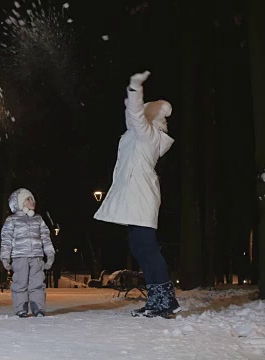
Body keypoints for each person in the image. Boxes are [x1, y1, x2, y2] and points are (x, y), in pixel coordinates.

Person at [93, 71, 181, 318]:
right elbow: (130, 115)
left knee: (147, 248)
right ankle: (157, 301)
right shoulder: (137, 134)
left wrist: (134, 88)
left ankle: (165, 301)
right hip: (135, 197)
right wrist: (132, 100)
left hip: (142, 196)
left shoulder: (148, 134)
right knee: (141, 248)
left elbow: (134, 113)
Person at [0, 188, 55, 317]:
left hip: (36, 257)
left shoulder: (38, 219)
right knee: (20, 283)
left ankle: (38, 307)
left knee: (37, 283)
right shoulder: (12, 220)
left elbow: (45, 238)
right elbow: (6, 239)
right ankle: (21, 308)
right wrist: (5, 257)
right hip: (19, 257)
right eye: (28, 199)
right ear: (19, 203)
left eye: (32, 199)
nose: (32, 201)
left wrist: (50, 254)